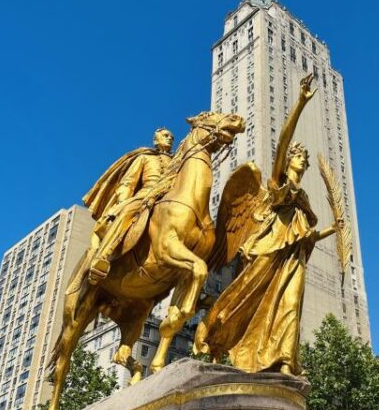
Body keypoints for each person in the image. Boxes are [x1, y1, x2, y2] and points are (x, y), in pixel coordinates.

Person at [195, 74, 339, 375]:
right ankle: (216, 335)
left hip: (291, 259)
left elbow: (306, 237)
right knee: (242, 299)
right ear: (288, 163)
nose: (301, 159)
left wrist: (333, 230)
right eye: (297, 156)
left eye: (303, 158)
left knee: (291, 304)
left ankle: (286, 362)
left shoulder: (303, 200)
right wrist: (300, 102)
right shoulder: (276, 184)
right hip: (265, 253)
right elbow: (284, 140)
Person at [83, 128, 174, 282]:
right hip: (145, 195)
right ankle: (103, 256)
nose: (170, 139)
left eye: (172, 137)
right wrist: (123, 202)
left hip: (169, 198)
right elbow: (128, 183)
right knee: (127, 213)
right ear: (155, 140)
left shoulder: (177, 161)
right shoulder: (145, 157)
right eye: (166, 136)